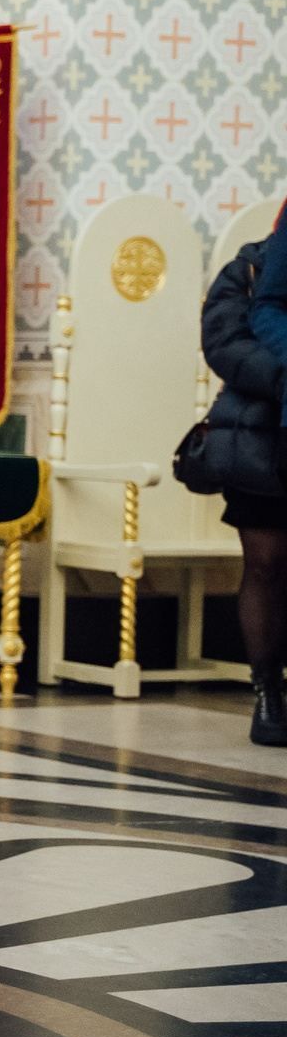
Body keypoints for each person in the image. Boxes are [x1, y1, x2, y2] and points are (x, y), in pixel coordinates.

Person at [216, 219, 287, 743]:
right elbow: (226, 341)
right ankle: (268, 693)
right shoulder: (246, 267)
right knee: (266, 565)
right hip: (260, 436)